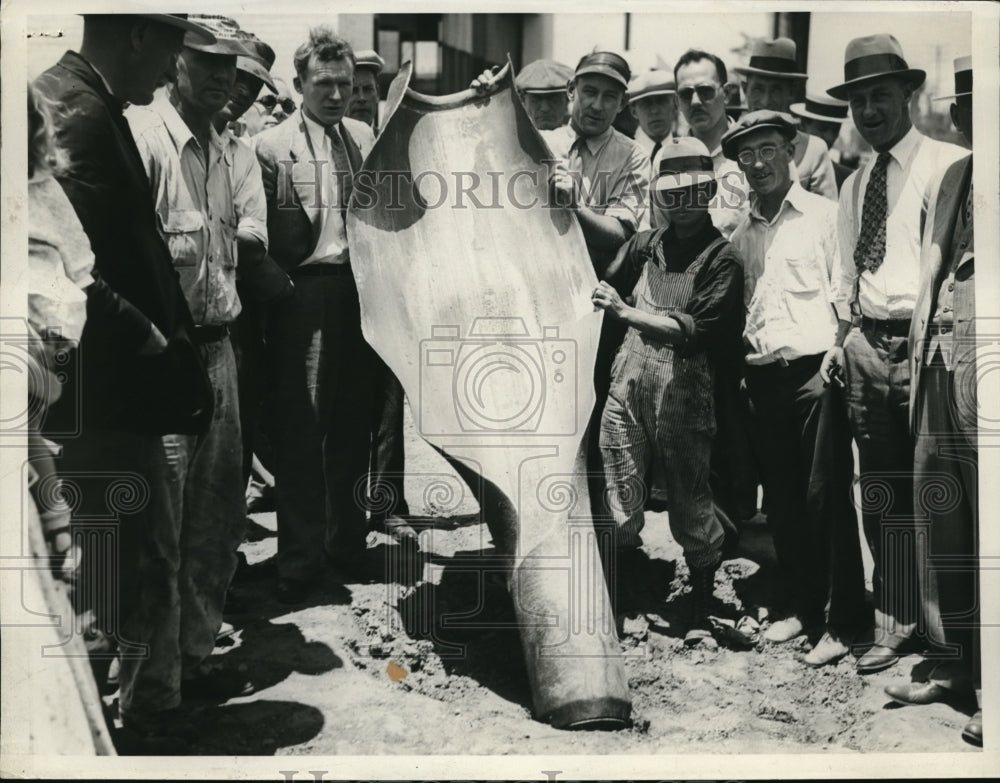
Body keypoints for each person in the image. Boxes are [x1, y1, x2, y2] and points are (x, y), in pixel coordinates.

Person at [33, 13, 216, 746]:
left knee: (119, 559)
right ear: (136, 37)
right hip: (103, 394)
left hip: (107, 391)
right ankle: (144, 723)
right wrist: (147, 334)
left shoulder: (87, 102)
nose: (174, 70)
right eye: (172, 50)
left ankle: (128, 708)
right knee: (130, 562)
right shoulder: (75, 114)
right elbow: (68, 269)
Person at [819, 34, 968, 675]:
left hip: (930, 345)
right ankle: (895, 622)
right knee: (880, 492)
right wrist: (844, 339)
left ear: (909, 94)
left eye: (881, 95)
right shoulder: (854, 185)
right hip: (869, 347)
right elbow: (850, 274)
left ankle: (950, 639)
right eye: (858, 100)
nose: (869, 110)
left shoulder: (949, 164)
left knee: (940, 494)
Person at [125, 13, 257, 703]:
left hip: (219, 352)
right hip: (163, 359)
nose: (219, 77)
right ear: (177, 61)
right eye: (206, 62)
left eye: (230, 67)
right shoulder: (144, 138)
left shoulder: (228, 147)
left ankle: (195, 657)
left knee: (216, 519)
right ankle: (152, 690)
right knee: (160, 530)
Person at [723, 111, 870, 660]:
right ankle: (803, 609)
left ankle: (844, 622)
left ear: (791, 151)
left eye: (768, 150)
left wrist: (839, 344)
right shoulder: (740, 231)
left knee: (824, 498)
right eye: (746, 156)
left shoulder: (825, 216)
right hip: (762, 379)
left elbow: (848, 293)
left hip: (815, 372)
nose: (757, 164)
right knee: (782, 501)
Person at [595, 137, 744, 642]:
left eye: (693, 191)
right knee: (620, 493)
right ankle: (617, 599)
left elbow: (693, 330)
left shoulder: (723, 259)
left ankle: (700, 607)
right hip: (628, 383)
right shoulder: (644, 245)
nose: (682, 203)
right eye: (671, 194)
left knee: (689, 501)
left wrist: (627, 312)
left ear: (708, 190)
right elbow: (602, 283)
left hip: (684, 390)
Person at [253, 26, 378, 604]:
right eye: (324, 84)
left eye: (345, 85)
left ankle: (347, 546)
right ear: (300, 83)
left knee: (355, 425)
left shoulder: (363, 135)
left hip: (360, 292)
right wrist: (282, 294)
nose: (336, 95)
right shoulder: (273, 146)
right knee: (303, 430)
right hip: (302, 292)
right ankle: (299, 561)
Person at [886, 55, 981, 747]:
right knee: (942, 524)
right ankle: (956, 669)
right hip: (941, 366)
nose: (979, 113)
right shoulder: (957, 173)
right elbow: (933, 267)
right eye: (971, 102)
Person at [732, 38, 838, 200]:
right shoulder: (728, 146)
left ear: (791, 92)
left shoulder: (813, 150)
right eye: (758, 89)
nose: (766, 101)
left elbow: (828, 219)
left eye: (776, 90)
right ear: (745, 90)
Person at [673, 49, 745, 239]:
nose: (695, 102)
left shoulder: (753, 152)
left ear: (727, 93)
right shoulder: (667, 159)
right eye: (686, 94)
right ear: (677, 101)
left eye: (705, 91)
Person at [790, 93, 854, 191]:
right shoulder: (782, 170)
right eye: (822, 128)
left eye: (835, 130)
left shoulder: (847, 180)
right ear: (802, 125)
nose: (830, 137)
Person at [627, 69, 677, 166]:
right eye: (646, 103)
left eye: (661, 101)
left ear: (675, 104)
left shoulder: (688, 150)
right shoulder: (624, 155)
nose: (654, 110)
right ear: (633, 112)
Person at [514, 58, 573, 130]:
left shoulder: (578, 140)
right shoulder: (510, 139)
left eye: (553, 99)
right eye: (536, 99)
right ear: (523, 102)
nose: (545, 108)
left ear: (567, 101)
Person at [348, 49, 385, 131]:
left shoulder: (388, 142)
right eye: (353, 90)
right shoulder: (326, 142)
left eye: (368, 89)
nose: (362, 98)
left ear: (378, 94)